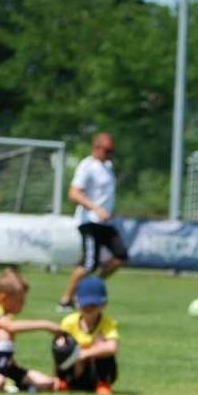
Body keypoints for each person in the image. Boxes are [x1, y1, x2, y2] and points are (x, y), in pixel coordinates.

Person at [58, 132, 127, 311]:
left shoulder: (108, 166)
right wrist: (95, 208)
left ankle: (93, 286)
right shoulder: (87, 166)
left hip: (105, 223)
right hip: (89, 222)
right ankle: (65, 300)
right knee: (89, 264)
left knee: (120, 257)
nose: (110, 154)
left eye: (112, 151)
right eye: (107, 150)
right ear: (96, 147)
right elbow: (74, 193)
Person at [0, 268, 66, 393]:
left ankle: (21, 385)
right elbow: (10, 327)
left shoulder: (8, 316)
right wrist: (46, 325)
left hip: (3, 365)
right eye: (20, 300)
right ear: (3, 298)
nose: (23, 304)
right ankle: (4, 381)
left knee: (47, 383)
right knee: (4, 333)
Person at [54, 274, 120, 395]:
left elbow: (112, 347)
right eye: (85, 305)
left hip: (94, 370)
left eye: (93, 305)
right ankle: (64, 381)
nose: (89, 308)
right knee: (63, 348)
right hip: (74, 368)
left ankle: (102, 383)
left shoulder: (107, 323)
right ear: (77, 302)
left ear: (103, 304)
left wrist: (84, 353)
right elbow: (59, 346)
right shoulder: (69, 322)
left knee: (104, 352)